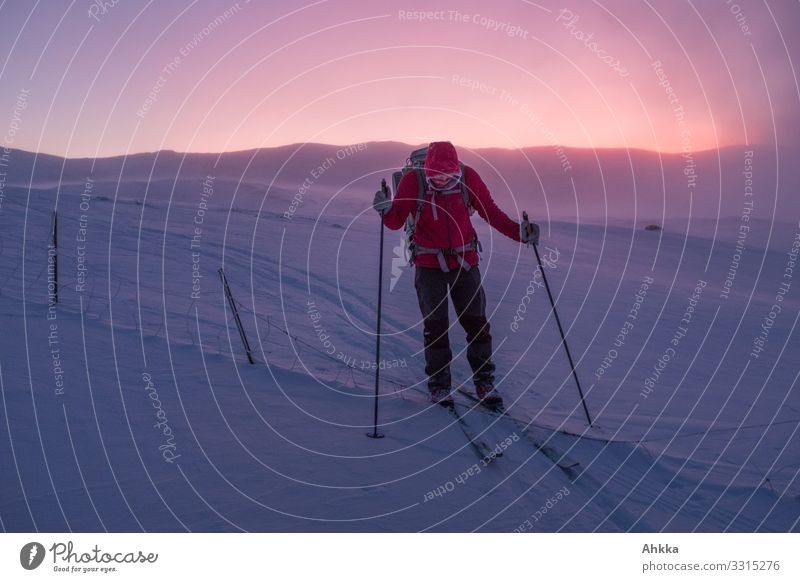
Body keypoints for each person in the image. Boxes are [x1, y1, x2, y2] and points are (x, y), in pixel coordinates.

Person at [373, 141, 539, 408]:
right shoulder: (413, 181)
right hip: (429, 264)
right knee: (436, 328)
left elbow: (490, 212)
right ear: (426, 169)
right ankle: (439, 386)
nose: (441, 179)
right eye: (435, 175)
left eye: (448, 175)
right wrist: (386, 210)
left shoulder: (469, 177)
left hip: (465, 261)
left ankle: (484, 382)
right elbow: (396, 222)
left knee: (477, 324)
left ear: (457, 170)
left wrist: (519, 233)